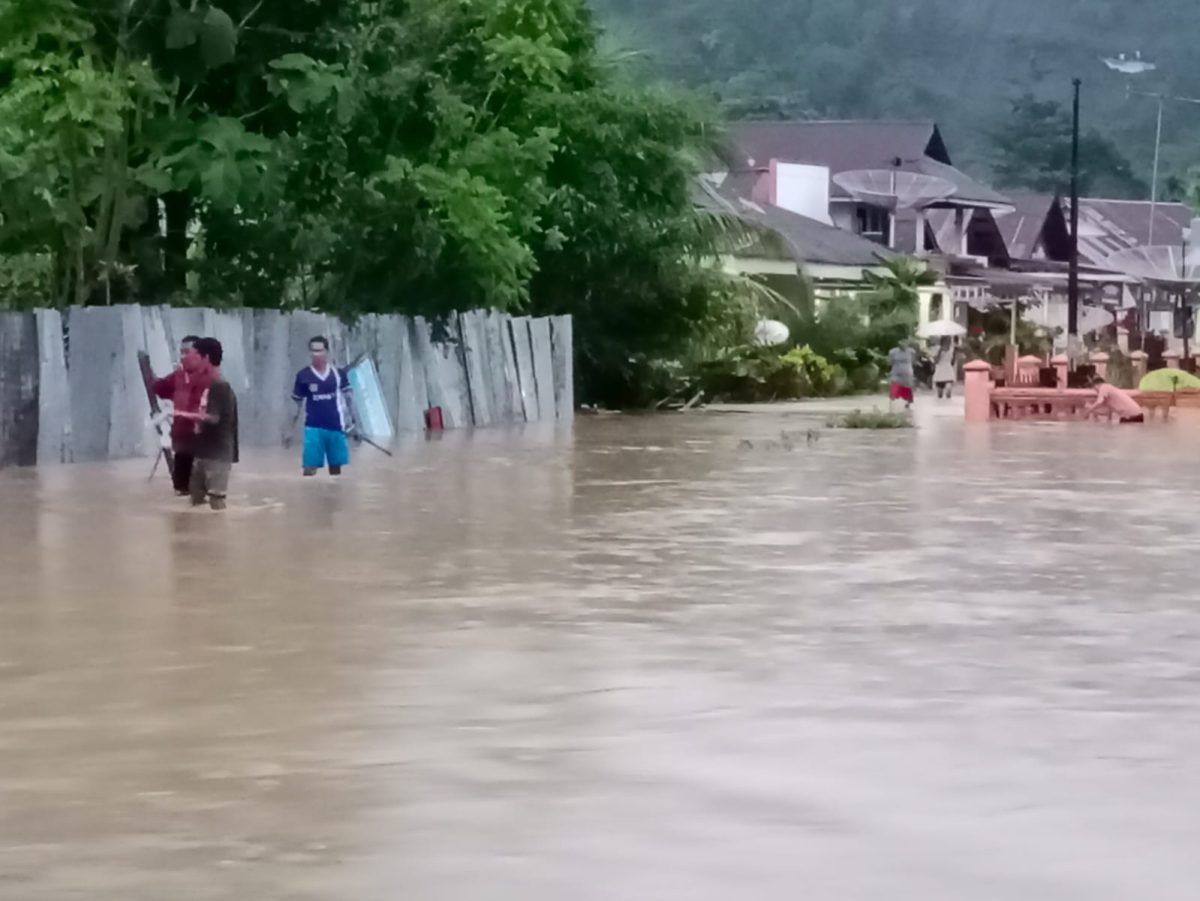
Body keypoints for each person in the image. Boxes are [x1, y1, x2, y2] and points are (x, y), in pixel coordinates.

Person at [173, 338, 238, 510]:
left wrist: (181, 414)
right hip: (202, 454)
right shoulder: (208, 384)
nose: (190, 360)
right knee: (196, 504)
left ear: (206, 358)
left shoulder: (220, 385)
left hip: (217, 456)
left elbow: (213, 418)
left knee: (216, 503)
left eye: (195, 356)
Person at [287, 336, 360, 476]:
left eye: (319, 350)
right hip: (313, 428)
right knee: (309, 469)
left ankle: (334, 495)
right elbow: (296, 405)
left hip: (336, 428)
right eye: (313, 351)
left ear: (326, 351)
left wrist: (356, 425)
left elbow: (350, 400)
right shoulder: (303, 376)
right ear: (309, 353)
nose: (316, 354)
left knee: (336, 471)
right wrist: (290, 429)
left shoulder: (339, 375)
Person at [151, 335, 209, 495]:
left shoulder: (210, 378)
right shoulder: (178, 376)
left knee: (201, 493)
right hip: (182, 441)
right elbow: (160, 388)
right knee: (182, 492)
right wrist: (149, 374)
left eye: (187, 352)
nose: (182, 356)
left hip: (202, 443)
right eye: (181, 352)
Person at [888, 341, 916, 409]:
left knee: (908, 388)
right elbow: (889, 362)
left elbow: (914, 361)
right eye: (901, 343)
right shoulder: (892, 351)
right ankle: (892, 405)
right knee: (894, 387)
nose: (903, 345)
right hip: (896, 372)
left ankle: (908, 404)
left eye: (904, 343)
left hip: (907, 373)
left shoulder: (911, 351)